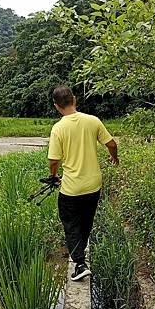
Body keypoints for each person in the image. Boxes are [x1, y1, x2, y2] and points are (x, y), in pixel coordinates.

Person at [47, 85, 119, 281]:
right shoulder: (93, 121)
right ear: (74, 99)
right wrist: (114, 158)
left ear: (56, 106)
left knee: (70, 224)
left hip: (71, 187)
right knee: (86, 222)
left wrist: (54, 175)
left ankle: (79, 264)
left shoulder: (59, 128)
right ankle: (81, 256)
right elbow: (112, 144)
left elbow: (54, 160)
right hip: (93, 184)